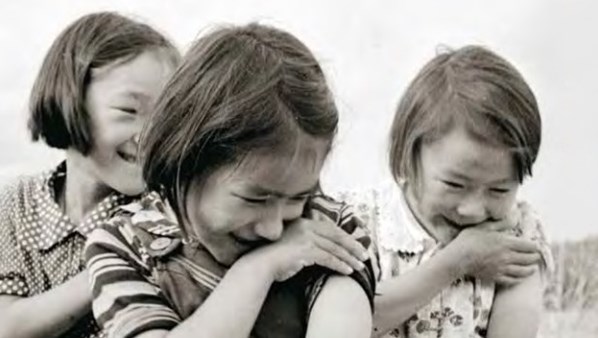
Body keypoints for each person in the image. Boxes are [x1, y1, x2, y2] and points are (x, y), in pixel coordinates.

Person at [83, 23, 374, 338]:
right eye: (255, 199)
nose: (274, 229)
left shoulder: (329, 230)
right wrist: (257, 269)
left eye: (296, 198)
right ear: (184, 163)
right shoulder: (121, 246)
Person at [0, 12, 179, 338]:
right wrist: (116, 258)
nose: (150, 136)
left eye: (166, 118)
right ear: (69, 101)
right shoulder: (17, 204)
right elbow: (8, 326)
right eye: (129, 110)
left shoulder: (164, 210)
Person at [358, 45, 552, 338]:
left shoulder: (517, 236)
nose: (472, 210)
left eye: (499, 190)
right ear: (407, 158)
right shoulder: (362, 220)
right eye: (454, 185)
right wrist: (457, 261)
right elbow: (346, 325)